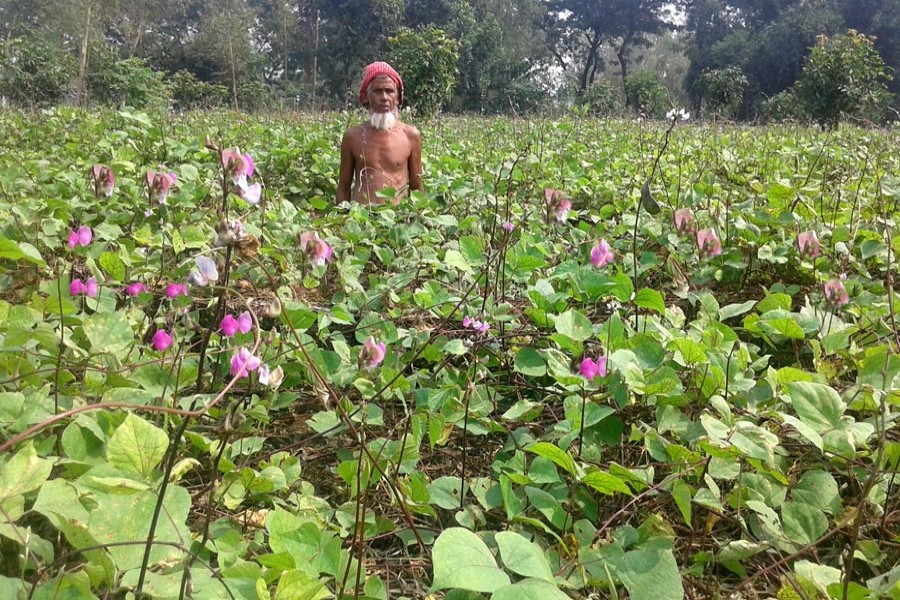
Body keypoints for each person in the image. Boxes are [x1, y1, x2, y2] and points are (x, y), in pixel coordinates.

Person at [337, 61, 424, 204]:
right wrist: (342, 221)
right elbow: (343, 187)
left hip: (397, 220)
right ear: (366, 97)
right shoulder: (352, 137)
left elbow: (417, 187)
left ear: (397, 98)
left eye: (389, 91)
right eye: (377, 91)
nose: (384, 97)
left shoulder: (410, 136)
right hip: (361, 219)